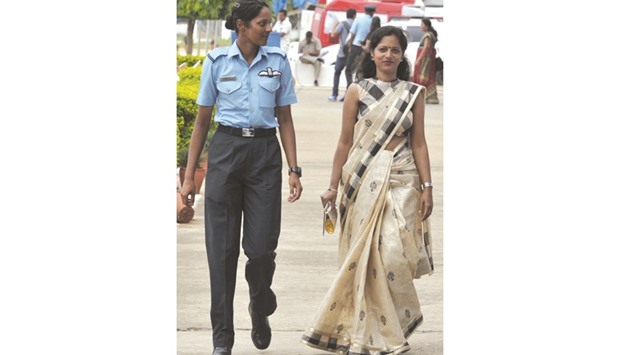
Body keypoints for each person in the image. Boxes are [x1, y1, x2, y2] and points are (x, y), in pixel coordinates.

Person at [178, 1, 303, 354]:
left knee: (261, 249)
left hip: (265, 155)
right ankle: (223, 339)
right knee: (222, 252)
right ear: (241, 25)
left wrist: (293, 169)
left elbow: (286, 120)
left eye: (270, 23)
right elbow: (202, 122)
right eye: (263, 23)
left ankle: (259, 306)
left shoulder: (277, 63)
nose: (269, 29)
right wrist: (188, 178)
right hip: (226, 152)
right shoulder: (217, 63)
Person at [301, 26, 434, 355]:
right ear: (371, 53)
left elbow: (419, 142)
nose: (388, 55)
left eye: (395, 50)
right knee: (364, 257)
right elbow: (345, 141)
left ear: (402, 56)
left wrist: (428, 186)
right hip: (362, 181)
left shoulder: (412, 94)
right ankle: (372, 334)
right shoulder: (357, 91)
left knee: (393, 255)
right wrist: (333, 186)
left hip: (404, 179)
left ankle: (389, 325)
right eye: (382, 49)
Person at [344, 4, 375, 89]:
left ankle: (350, 88)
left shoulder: (358, 19)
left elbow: (352, 34)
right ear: (373, 12)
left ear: (365, 11)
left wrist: (349, 46)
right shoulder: (373, 21)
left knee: (349, 68)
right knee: (363, 69)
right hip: (367, 49)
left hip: (356, 46)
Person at [328, 8, 356, 102]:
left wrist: (335, 25)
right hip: (351, 53)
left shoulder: (343, 24)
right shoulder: (356, 24)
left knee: (337, 73)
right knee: (349, 74)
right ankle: (348, 96)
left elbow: (333, 35)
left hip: (341, 53)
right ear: (354, 15)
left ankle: (334, 95)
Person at [412, 18, 440, 104]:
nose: (421, 26)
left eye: (422, 25)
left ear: (426, 26)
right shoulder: (430, 34)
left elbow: (425, 48)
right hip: (429, 59)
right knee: (429, 77)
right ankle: (430, 97)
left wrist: (419, 59)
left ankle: (424, 96)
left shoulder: (427, 35)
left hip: (425, 60)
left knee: (424, 77)